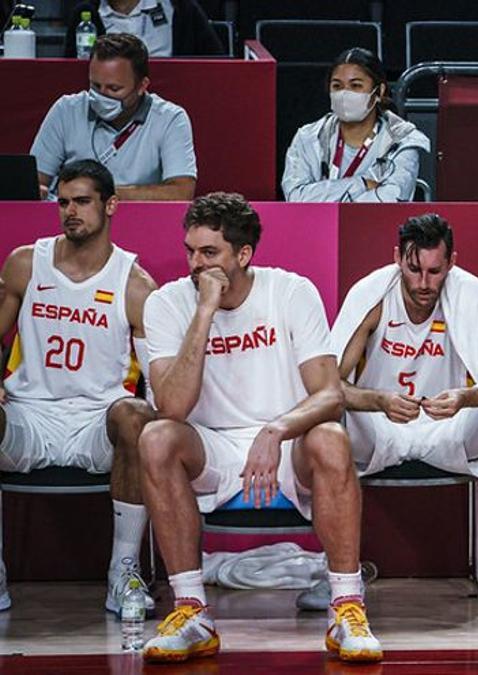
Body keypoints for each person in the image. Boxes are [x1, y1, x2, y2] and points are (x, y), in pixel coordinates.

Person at [137, 192, 382, 663]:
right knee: (156, 436)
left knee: (331, 437)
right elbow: (172, 405)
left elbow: (329, 393)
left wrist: (275, 430)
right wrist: (205, 312)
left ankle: (346, 608)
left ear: (243, 255)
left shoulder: (290, 292)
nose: (195, 264)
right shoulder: (168, 304)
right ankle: (192, 612)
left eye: (209, 253)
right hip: (213, 450)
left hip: (285, 446)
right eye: (190, 251)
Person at [329, 213, 478, 610]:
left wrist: (465, 397)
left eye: (435, 271)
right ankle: (339, 577)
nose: (424, 283)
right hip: (381, 427)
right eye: (414, 269)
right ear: (397, 259)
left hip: (449, 426)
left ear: (451, 263)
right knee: (324, 421)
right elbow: (327, 385)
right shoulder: (371, 293)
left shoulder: (469, 292)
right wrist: (378, 401)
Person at [0, 159, 157, 615]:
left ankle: (122, 574)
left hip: (96, 423)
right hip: (30, 417)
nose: (70, 211)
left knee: (137, 416)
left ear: (110, 206)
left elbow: (157, 384)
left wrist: (155, 415)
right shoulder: (26, 264)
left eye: (83, 202)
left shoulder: (135, 284)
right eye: (63, 202)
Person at [31, 33, 197, 202]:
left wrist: (102, 195)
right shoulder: (66, 110)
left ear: (142, 86)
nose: (101, 96)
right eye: (95, 86)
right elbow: (35, 181)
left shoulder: (170, 119)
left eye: (114, 88)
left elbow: (181, 192)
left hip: (138, 220)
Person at [282, 48, 429, 203]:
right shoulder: (308, 137)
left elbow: (390, 200)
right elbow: (296, 197)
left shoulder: (402, 141)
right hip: (316, 225)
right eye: (337, 86)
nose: (345, 94)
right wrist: (361, 184)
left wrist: (324, 195)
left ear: (379, 92)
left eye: (356, 86)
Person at [64, 1, 223, 58]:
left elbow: (216, 64)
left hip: (175, 101)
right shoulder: (86, 14)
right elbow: (69, 73)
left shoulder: (181, 8)